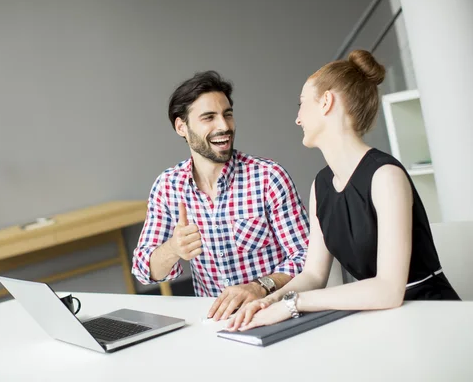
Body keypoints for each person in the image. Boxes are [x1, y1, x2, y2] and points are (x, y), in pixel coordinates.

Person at [227, 49, 461, 332]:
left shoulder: (386, 176)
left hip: (434, 317)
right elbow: (314, 273)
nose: (298, 119)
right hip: (380, 319)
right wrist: (270, 300)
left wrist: (294, 303)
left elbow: (388, 289)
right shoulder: (320, 185)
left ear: (326, 102)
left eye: (301, 104)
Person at [131, 70, 309, 321]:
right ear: (181, 126)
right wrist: (173, 248)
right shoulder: (168, 186)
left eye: (227, 114)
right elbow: (143, 270)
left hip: (276, 314)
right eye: (209, 117)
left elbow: (306, 257)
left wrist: (259, 287)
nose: (224, 126)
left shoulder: (268, 177)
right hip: (217, 324)